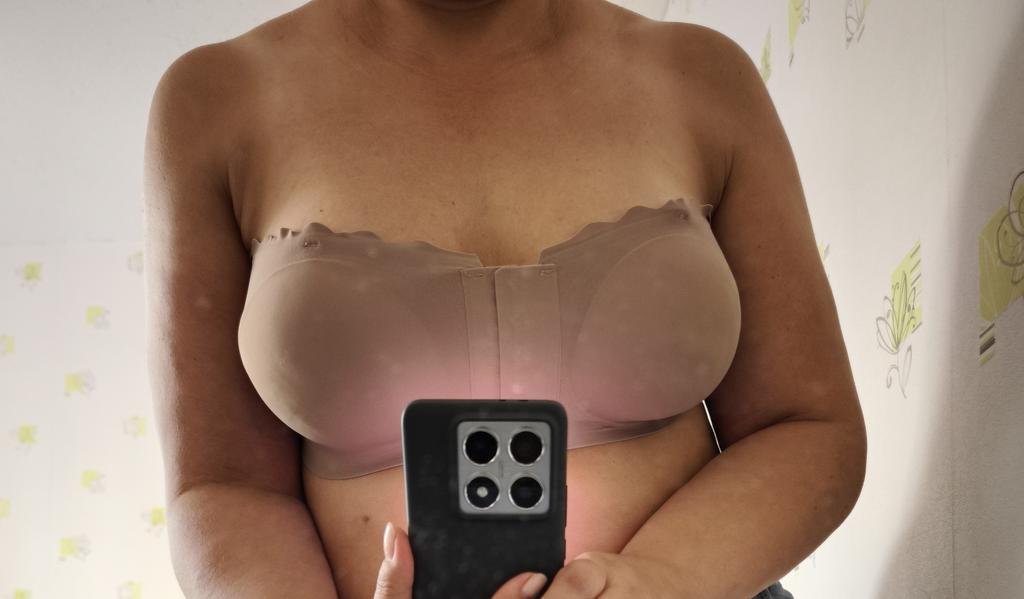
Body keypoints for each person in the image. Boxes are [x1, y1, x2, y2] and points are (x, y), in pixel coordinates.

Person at [143, 0, 866, 598]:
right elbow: (222, 487)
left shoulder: (703, 75)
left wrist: (660, 580)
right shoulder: (215, 100)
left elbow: (807, 424)